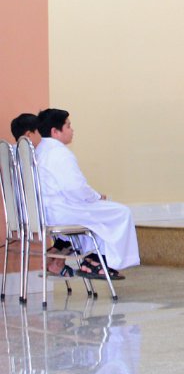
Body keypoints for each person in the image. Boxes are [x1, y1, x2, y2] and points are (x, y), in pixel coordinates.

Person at [35, 108, 139, 279]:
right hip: (62, 213)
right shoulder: (59, 153)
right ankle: (97, 261)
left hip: (45, 213)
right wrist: (96, 197)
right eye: (68, 126)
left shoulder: (39, 151)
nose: (72, 130)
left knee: (97, 216)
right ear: (55, 131)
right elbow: (75, 188)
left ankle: (82, 257)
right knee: (121, 213)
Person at [9, 112, 75, 277]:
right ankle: (65, 260)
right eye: (40, 132)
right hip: (42, 217)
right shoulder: (36, 157)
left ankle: (56, 256)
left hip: (20, 218)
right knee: (83, 218)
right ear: (29, 135)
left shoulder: (11, 155)